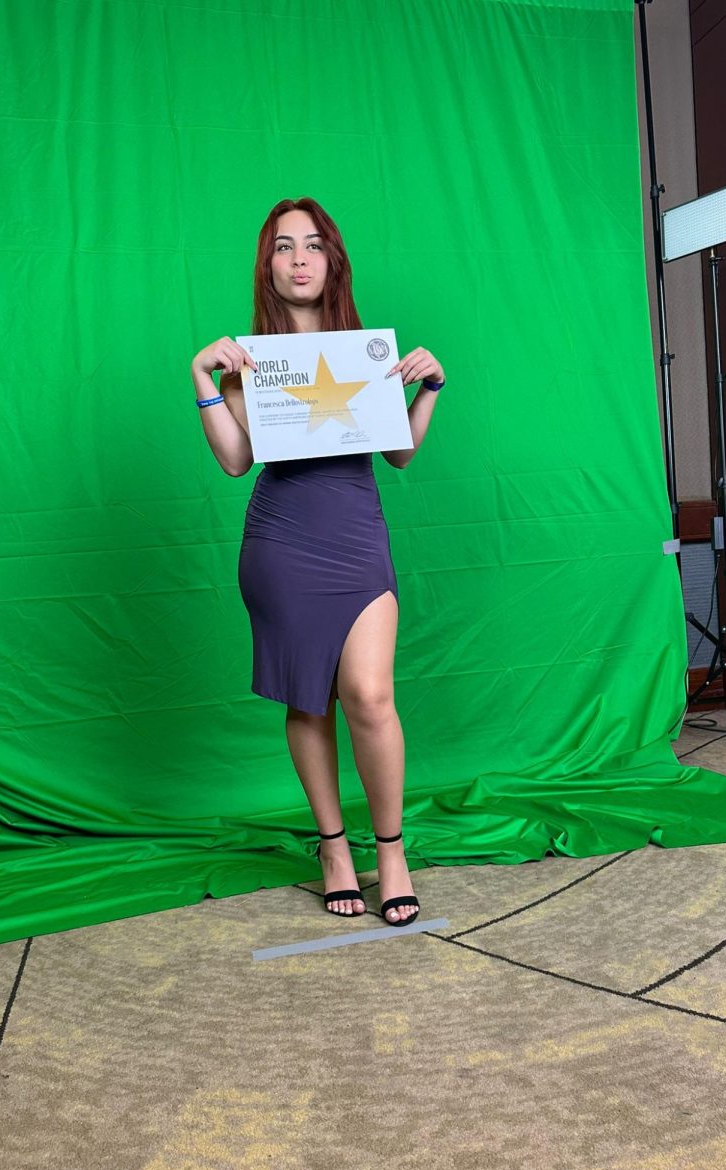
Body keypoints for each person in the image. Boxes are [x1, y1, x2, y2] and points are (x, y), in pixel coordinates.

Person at [190, 198, 444, 927]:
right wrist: (203, 377)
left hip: (356, 533)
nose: (299, 257)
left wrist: (427, 388)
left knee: (369, 695)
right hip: (281, 540)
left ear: (333, 259)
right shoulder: (246, 358)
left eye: (312, 244)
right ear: (267, 267)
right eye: (282, 247)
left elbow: (397, 453)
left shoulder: (366, 351)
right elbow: (237, 462)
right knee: (309, 700)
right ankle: (334, 850)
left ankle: (390, 853)